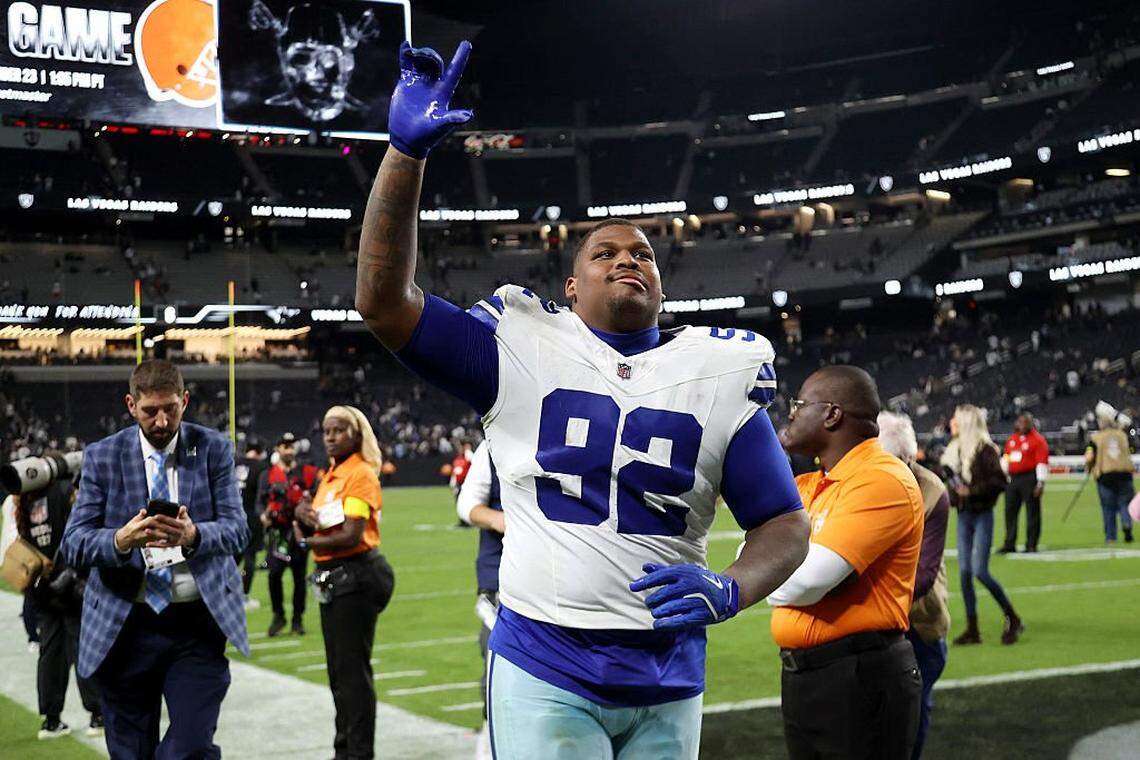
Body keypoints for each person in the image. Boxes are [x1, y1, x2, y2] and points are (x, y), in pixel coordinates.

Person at [354, 40, 809, 758]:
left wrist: (731, 589)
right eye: (605, 252)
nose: (629, 258)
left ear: (661, 284)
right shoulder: (520, 344)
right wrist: (404, 157)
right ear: (570, 287)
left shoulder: (719, 369)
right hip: (544, 660)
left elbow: (784, 522)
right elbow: (383, 304)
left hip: (670, 672)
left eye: (644, 254)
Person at [61, 359, 249, 759]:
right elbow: (74, 543)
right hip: (125, 623)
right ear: (131, 405)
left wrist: (195, 535)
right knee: (130, 752)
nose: (162, 422)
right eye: (150, 411)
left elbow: (238, 530)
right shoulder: (103, 456)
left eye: (171, 409)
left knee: (191, 747)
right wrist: (119, 540)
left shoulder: (211, 448)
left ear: (184, 401)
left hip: (196, 624)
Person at [768, 366, 924, 760]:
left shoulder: (883, 479)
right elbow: (755, 552)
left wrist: (765, 570)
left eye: (799, 404)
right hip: (808, 677)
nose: (790, 414)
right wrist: (767, 564)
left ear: (832, 414)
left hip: (859, 676)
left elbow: (806, 583)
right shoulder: (811, 483)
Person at [294, 406, 394, 760]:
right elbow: (315, 525)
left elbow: (351, 534)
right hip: (337, 580)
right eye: (326, 431)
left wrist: (307, 541)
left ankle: (358, 753)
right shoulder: (331, 475)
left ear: (356, 434)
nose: (331, 437)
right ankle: (344, 751)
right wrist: (301, 518)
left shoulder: (360, 474)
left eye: (339, 430)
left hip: (355, 576)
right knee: (340, 674)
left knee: (352, 677)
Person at [878, 411, 951, 760]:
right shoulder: (863, 481)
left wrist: (863, 603)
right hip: (874, 625)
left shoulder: (932, 491)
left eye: (904, 461)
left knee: (913, 711)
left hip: (918, 623)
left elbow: (922, 575)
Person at [14, 475, 103, 740]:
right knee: (82, 649)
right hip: (70, 585)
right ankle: (97, 715)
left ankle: (51, 721)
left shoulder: (26, 503)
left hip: (42, 588)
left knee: (50, 653)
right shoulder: (63, 492)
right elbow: (77, 535)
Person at [940, 404, 1024, 646]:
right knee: (965, 574)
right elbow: (955, 486)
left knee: (979, 571)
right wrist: (956, 492)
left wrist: (970, 492)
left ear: (966, 423)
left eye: (956, 420)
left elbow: (1000, 481)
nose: (952, 424)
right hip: (965, 515)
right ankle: (972, 628)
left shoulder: (985, 449)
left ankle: (1012, 616)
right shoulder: (955, 449)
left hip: (981, 514)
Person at [455, 438, 504, 759]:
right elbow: (467, 503)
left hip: (564, 585)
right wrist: (500, 520)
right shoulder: (495, 444)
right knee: (497, 679)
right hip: (503, 584)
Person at [257, 432, 319, 636]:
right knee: (274, 575)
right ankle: (279, 615)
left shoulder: (305, 472)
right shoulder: (268, 475)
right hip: (277, 532)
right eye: (285, 446)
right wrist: (263, 516)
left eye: (291, 446)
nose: (289, 449)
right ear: (278, 449)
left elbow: (317, 495)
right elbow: (259, 502)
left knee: (299, 578)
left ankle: (297, 619)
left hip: (299, 531)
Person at [999, 413, 1049, 553]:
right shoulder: (1012, 439)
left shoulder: (1038, 440)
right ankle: (1009, 542)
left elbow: (1041, 462)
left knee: (1032, 512)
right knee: (1010, 511)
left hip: (1029, 478)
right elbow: (1006, 456)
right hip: (1013, 479)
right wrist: (1003, 472)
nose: (1022, 425)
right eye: (1020, 422)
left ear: (1031, 423)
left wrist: (1040, 483)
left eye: (1025, 422)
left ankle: (1031, 544)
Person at [1086, 406, 1135, 544]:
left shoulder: (1095, 438)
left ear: (1101, 425)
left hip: (1106, 476)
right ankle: (1127, 524)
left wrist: (1090, 468)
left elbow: (1089, 457)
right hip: (1125, 474)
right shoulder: (1123, 435)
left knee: (1108, 508)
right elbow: (1131, 446)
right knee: (1125, 503)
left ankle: (1111, 537)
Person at [235, 438, 268, 607]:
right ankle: (244, 595)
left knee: (232, 559)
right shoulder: (260, 467)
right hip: (251, 517)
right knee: (250, 557)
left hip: (231, 516)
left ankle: (226, 594)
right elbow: (262, 495)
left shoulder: (234, 462)